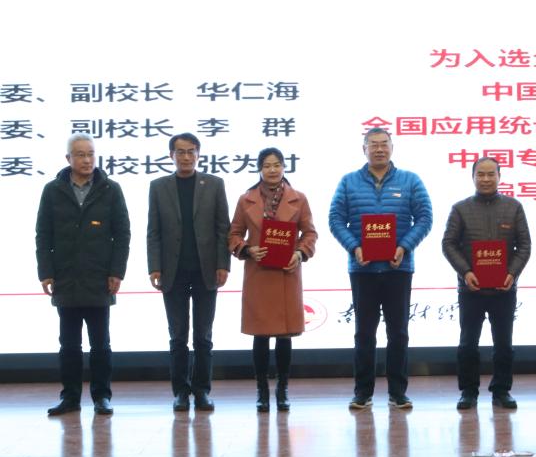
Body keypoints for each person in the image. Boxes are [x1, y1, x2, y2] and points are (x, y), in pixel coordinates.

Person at [329, 127, 432, 410]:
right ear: (364, 149)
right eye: (372, 144)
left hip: (398, 268)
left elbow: (425, 218)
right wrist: (354, 247)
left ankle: (398, 392)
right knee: (364, 333)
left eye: (383, 144)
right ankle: (362, 392)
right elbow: (335, 219)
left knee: (398, 333)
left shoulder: (410, 180)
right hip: (362, 269)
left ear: (392, 147)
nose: (378, 149)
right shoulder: (348, 182)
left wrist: (404, 247)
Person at [35, 133, 130, 416]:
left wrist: (117, 272)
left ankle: (102, 396)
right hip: (65, 277)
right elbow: (43, 234)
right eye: (80, 154)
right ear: (68, 158)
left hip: (100, 277)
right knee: (69, 344)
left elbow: (122, 234)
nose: (87, 160)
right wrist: (45, 272)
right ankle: (70, 398)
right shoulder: (52, 190)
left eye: (90, 154)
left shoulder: (110, 189)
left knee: (101, 344)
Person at [228, 147, 317, 412]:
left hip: (286, 272)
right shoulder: (246, 200)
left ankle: (282, 389)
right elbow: (233, 234)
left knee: (285, 336)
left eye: (277, 164)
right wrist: (247, 250)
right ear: (259, 169)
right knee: (260, 335)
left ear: (284, 167)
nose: (272, 170)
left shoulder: (299, 198)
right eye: (267, 165)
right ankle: (262, 390)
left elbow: (310, 233)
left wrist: (300, 253)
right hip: (259, 273)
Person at [147, 132, 230, 412]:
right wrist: (154, 266)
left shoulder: (214, 184)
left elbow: (223, 228)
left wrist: (223, 264)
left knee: (203, 336)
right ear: (171, 155)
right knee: (178, 336)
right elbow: (153, 231)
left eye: (191, 151)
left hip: (207, 271)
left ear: (198, 154)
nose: (186, 157)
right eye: (180, 152)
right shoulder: (158, 187)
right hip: (173, 272)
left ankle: (202, 391)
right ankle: (180, 392)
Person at [442, 157, 531, 410]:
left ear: (499, 176)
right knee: (468, 343)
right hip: (471, 288)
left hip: (504, 288)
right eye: (480, 174)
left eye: (491, 174)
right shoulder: (460, 208)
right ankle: (468, 391)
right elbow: (448, 244)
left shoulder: (514, 207)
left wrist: (512, 273)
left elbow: (524, 245)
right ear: (473, 177)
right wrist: (465, 272)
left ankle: (501, 390)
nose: (486, 179)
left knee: (503, 344)